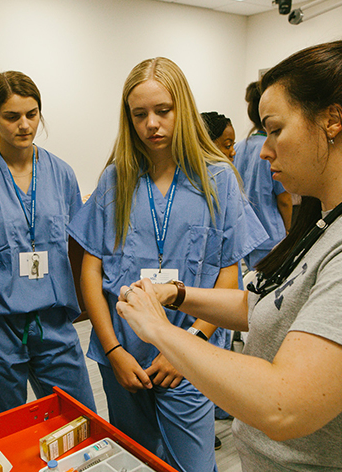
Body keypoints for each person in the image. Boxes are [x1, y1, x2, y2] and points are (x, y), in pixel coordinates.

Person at [116, 41, 342, 471]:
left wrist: (161, 331)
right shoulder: (330, 217)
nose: (263, 150)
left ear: (332, 121)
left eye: (275, 130)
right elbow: (268, 305)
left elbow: (284, 405)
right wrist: (178, 294)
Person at [67, 57, 266, 472]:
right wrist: (113, 350)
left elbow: (229, 274)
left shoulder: (218, 180)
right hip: (124, 355)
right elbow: (91, 272)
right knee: (137, 460)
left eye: (163, 111)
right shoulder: (115, 180)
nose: (151, 124)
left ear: (184, 110)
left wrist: (189, 345)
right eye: (140, 115)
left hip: (190, 355)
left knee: (192, 465)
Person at [0, 71, 95, 415]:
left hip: (53, 320)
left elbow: (75, 245)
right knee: (4, 422)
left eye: (32, 114)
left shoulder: (61, 173)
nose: (24, 125)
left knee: (78, 415)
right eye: (11, 117)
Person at [233, 81, 292, 270]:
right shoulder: (274, 149)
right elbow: (284, 199)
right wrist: (291, 230)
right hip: (270, 237)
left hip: (245, 236)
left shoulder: (237, 148)